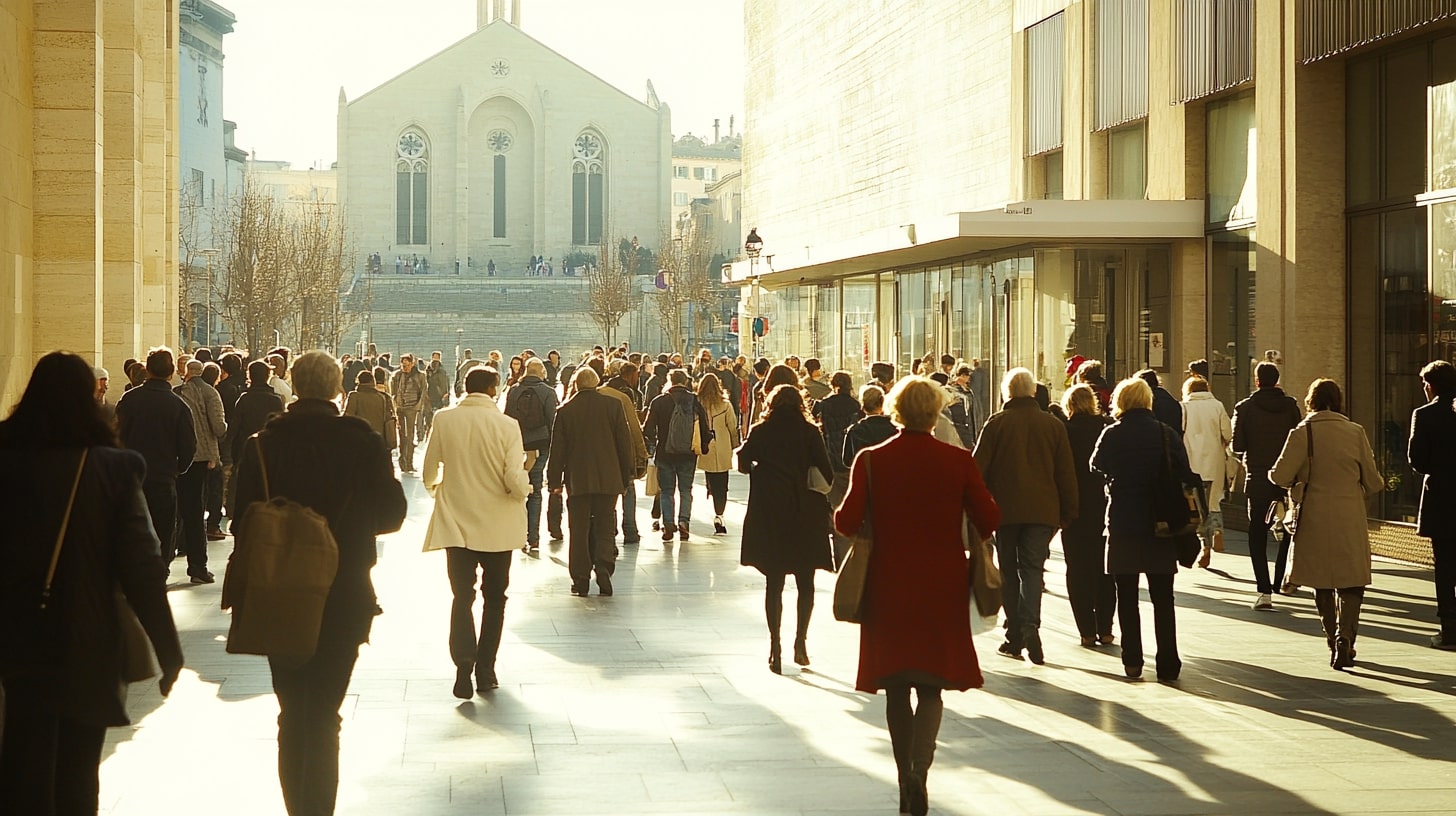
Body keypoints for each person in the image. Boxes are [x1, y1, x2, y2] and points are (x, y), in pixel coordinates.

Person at [0, 352, 184, 815]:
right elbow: (142, 565)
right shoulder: (112, 468)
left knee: (21, 760)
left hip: (13, 635)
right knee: (79, 771)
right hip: (87, 638)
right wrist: (167, 647)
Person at [231, 351, 406, 816]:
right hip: (343, 590)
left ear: (295, 383)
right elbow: (392, 515)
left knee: (292, 712)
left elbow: (239, 518)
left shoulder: (262, 444)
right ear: (336, 389)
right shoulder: (362, 442)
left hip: (277, 590)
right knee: (325, 715)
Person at [833, 376, 1000, 816]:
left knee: (895, 685)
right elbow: (989, 516)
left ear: (896, 411)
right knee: (931, 685)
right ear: (937, 412)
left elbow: (845, 522)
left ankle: (903, 772)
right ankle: (919, 772)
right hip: (941, 584)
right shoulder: (957, 461)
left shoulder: (871, 460)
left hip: (888, 584)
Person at [421, 366, 531, 697]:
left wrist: (439, 489)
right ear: (494, 388)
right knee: (495, 599)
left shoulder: (444, 419)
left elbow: (430, 469)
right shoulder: (507, 425)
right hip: (498, 524)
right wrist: (525, 489)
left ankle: (462, 665)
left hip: (458, 521)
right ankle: (486, 669)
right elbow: (513, 476)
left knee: (462, 596)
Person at [1091, 377, 1199, 682]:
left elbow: (1095, 464)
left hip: (1124, 522)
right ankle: (1168, 663)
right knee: (1163, 597)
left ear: (1120, 402)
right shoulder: (1166, 434)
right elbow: (1184, 470)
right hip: (1161, 523)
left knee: (1126, 595)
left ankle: (1133, 661)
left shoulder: (1112, 433)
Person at [1271, 379, 1383, 670]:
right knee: (1352, 580)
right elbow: (1373, 481)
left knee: (1322, 580)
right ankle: (1346, 636)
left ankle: (1332, 642)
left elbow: (1280, 475)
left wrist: (1299, 481)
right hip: (1350, 516)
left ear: (1311, 401)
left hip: (1314, 516)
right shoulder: (1355, 432)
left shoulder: (1302, 432)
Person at [973, 368, 1077, 663]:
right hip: (1043, 511)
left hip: (1004, 511)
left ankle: (1014, 633)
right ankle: (1031, 625)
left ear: (1007, 393)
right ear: (1033, 392)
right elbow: (1065, 473)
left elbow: (976, 470)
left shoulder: (996, 424)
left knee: (1009, 570)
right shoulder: (1053, 425)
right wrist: (1068, 511)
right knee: (1033, 569)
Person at [738, 384, 834, 674]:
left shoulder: (760, 431)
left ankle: (774, 646)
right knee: (806, 582)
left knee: (774, 582)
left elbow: (743, 462)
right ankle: (800, 642)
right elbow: (826, 471)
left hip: (770, 513)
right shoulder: (809, 432)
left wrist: (761, 471)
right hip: (804, 512)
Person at [546, 367, 634, 596]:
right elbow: (624, 445)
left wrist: (554, 481)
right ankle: (604, 568)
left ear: (575, 384)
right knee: (605, 526)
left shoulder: (565, 410)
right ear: (596, 383)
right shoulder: (613, 406)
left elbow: (558, 451)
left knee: (579, 528)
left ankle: (581, 578)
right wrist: (626, 478)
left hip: (578, 480)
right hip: (609, 478)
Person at [115, 347, 196, 569]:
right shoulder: (178, 405)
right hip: (163, 479)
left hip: (131, 480)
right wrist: (177, 469)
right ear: (171, 374)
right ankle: (159, 573)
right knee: (163, 533)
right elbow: (188, 447)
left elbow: (116, 436)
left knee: (131, 533)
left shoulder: (129, 400)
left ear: (147, 371)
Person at [1232, 361, 1303, 609]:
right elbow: (1299, 440)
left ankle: (1264, 591)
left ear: (1257, 380)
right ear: (1277, 380)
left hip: (1259, 478)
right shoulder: (1292, 407)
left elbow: (1237, 446)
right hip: (1287, 478)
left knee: (1257, 532)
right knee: (1290, 528)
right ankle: (1281, 579)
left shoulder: (1245, 408)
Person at [1060, 384, 1116, 648]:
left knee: (1078, 570)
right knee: (1105, 570)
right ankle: (1106, 628)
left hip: (1074, 510)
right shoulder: (1107, 427)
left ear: (1069, 406)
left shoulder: (1065, 431)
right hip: (1106, 508)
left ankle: (1086, 630)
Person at [1409, 360, 1456, 649]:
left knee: (1445, 565)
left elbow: (1417, 460)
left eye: (1425, 384)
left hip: (1441, 498)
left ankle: (1449, 628)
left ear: (1432, 385)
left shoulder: (1425, 414)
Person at [173, 359, 227, 583]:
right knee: (196, 509)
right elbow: (218, 426)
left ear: (186, 373)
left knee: (175, 509)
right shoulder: (210, 392)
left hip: (177, 458)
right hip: (202, 457)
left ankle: (173, 553)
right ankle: (198, 566)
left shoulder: (176, 393)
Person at [643, 369, 712, 541]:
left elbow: (648, 429)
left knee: (666, 491)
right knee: (685, 490)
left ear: (669, 381)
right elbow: (704, 426)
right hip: (688, 454)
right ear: (685, 382)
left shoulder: (659, 401)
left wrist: (652, 445)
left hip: (665, 453)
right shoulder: (694, 400)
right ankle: (684, 522)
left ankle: (668, 524)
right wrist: (703, 445)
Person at [505, 358, 560, 551]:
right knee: (535, 490)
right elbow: (553, 421)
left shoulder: (513, 390)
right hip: (539, 445)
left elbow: (507, 418)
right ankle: (533, 536)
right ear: (542, 372)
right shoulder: (548, 392)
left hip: (516, 445)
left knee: (516, 487)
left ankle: (517, 532)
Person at [1181, 376, 1232, 569]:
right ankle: (1218, 529)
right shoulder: (1217, 405)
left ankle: (1206, 547)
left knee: (1198, 507)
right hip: (1214, 462)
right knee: (1213, 502)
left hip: (1193, 463)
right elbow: (1228, 433)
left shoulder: (1184, 407)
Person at [813, 371, 862, 563]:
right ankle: (851, 554)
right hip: (851, 461)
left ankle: (839, 555)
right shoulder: (856, 406)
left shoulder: (825, 405)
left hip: (831, 462)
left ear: (833, 384)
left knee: (834, 507)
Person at [599, 362, 649, 544]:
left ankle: (610, 528)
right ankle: (630, 529)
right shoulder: (624, 396)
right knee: (628, 489)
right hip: (624, 452)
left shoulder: (600, 392)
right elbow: (634, 428)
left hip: (603, 452)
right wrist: (641, 454)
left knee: (607, 492)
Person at [695, 372, 739, 535]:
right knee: (722, 481)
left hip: (705, 444)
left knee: (710, 474)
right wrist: (735, 444)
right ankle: (719, 513)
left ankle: (710, 489)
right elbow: (732, 426)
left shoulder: (697, 403)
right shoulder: (725, 404)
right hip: (722, 445)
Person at [842, 384, 896, 466]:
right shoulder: (896, 427)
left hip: (868, 476)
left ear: (863, 405)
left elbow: (847, 461)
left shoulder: (855, 430)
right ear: (882, 401)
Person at [392, 353, 428, 473]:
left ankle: (409, 461)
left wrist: (418, 406)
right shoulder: (397, 375)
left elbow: (423, 391)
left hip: (412, 408)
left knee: (410, 435)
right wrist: (395, 403)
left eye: (407, 365)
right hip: (400, 407)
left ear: (412, 364)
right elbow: (393, 389)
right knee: (402, 435)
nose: (405, 367)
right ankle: (402, 461)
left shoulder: (420, 376)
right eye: (403, 365)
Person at [342, 369, 395, 441]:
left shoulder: (354, 396)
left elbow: (348, 417)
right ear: (373, 381)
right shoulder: (382, 397)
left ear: (358, 381)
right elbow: (387, 419)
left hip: (359, 437)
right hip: (378, 438)